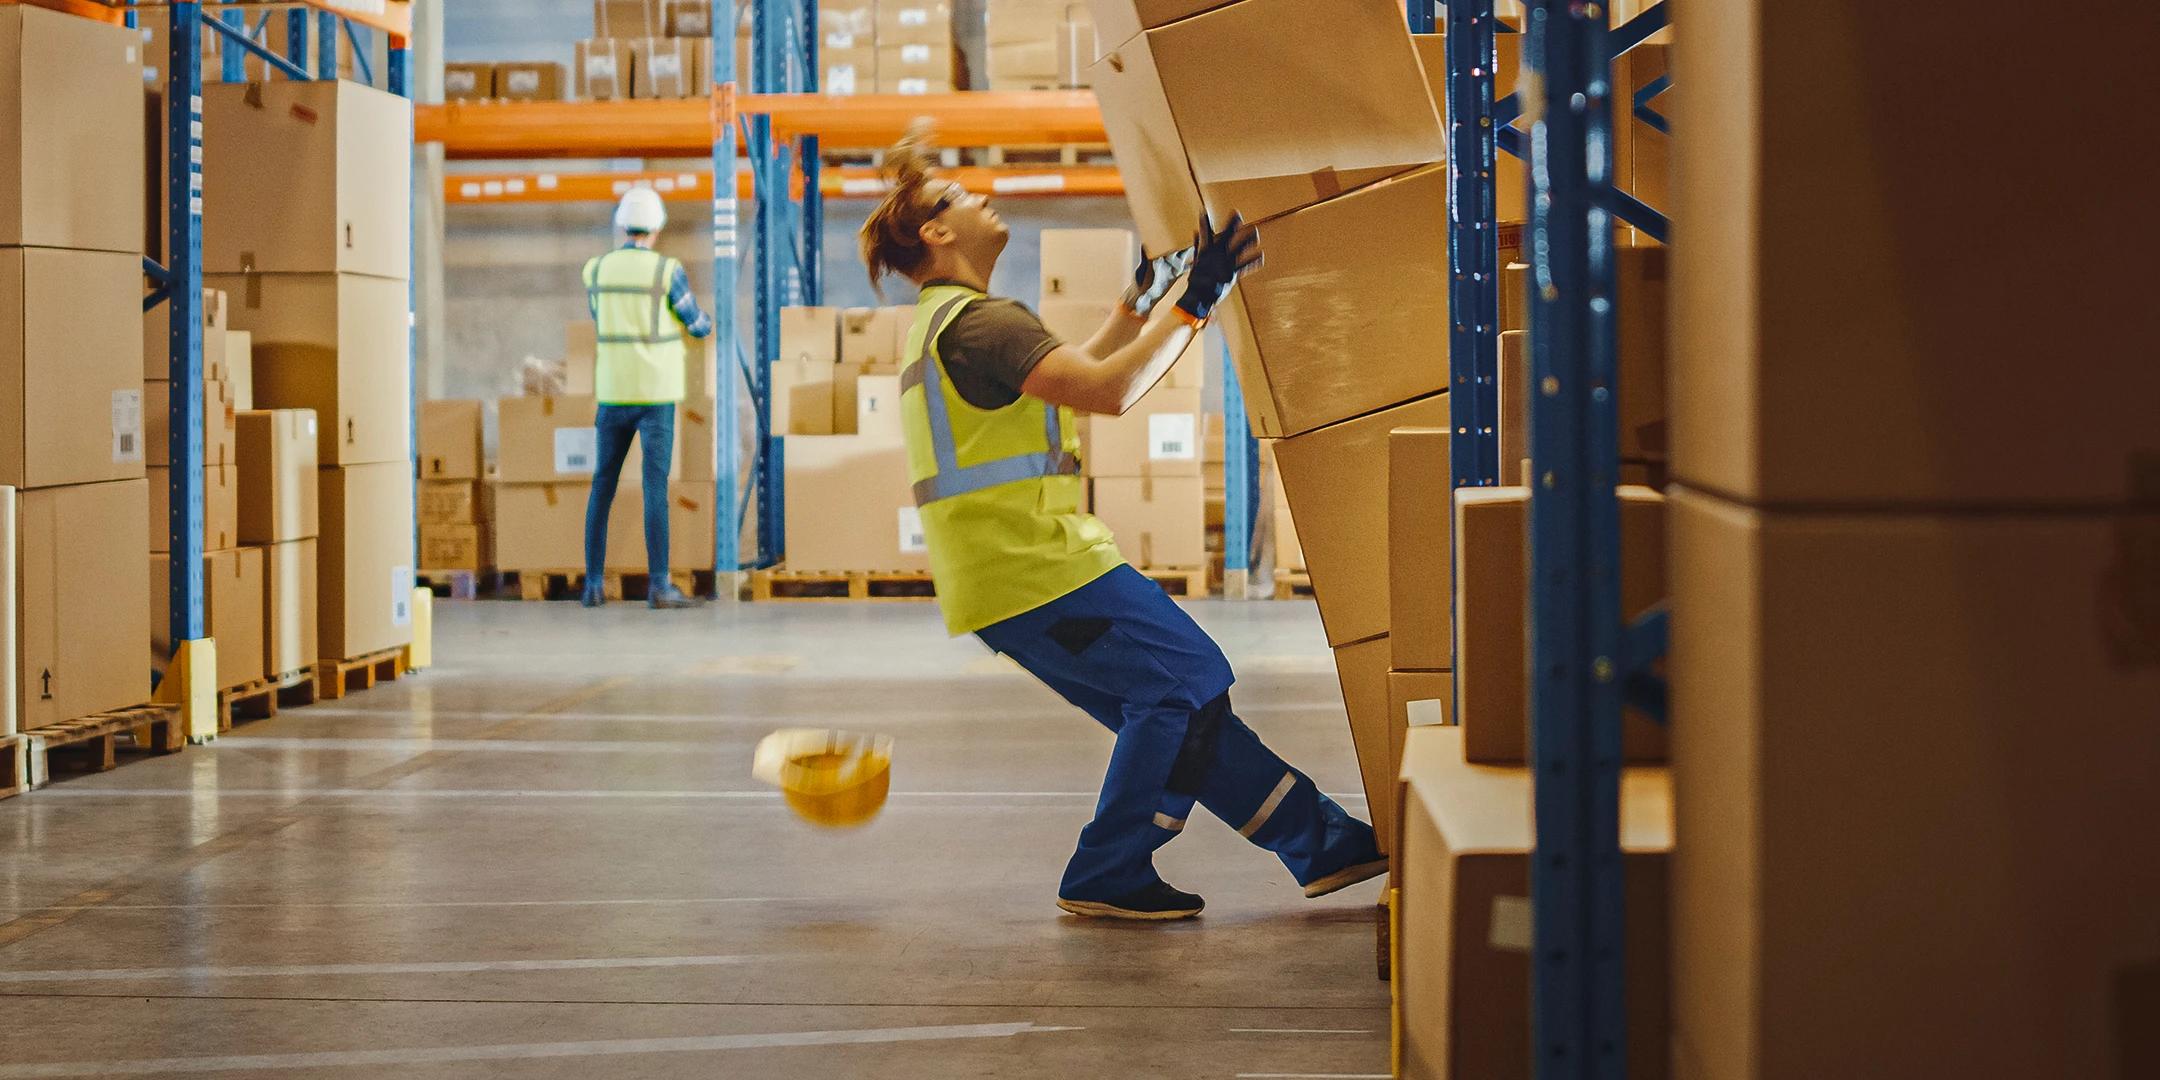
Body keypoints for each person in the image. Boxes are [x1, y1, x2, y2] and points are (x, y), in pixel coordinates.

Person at [863, 129, 1386, 920]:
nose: (980, 196)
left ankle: (1324, 844)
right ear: (937, 232)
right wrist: (1193, 302)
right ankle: (1108, 865)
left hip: (1008, 577)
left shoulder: (952, 321)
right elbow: (1108, 390)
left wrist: (1137, 305)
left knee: (1179, 705)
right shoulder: (980, 322)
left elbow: (1071, 369)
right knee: (1188, 679)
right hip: (1036, 568)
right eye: (958, 195)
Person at [580, 187, 712, 609]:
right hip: (655, 394)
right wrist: (705, 322)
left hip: (613, 392)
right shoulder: (666, 271)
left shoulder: (596, 270)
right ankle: (659, 586)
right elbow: (695, 323)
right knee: (655, 487)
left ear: (622, 225)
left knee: (603, 486)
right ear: (656, 227)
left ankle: (593, 586)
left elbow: (600, 317)